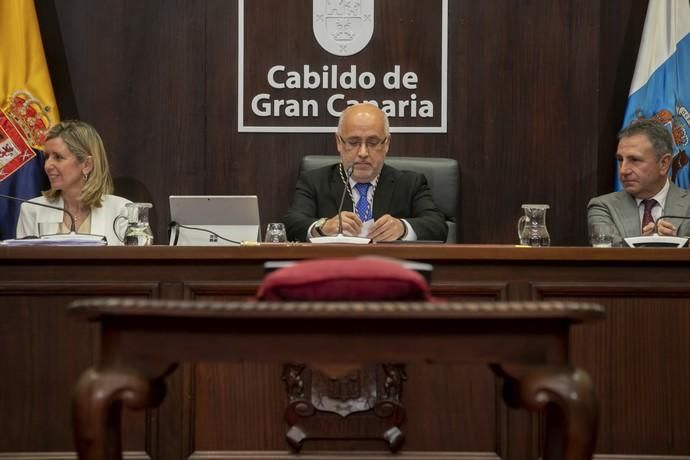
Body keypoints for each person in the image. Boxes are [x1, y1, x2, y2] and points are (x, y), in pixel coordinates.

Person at [284, 103, 448, 242]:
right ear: (339, 142)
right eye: (353, 143)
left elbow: (438, 226)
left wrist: (403, 228)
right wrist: (323, 226)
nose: (363, 152)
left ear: (386, 144)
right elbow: (292, 224)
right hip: (333, 271)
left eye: (373, 142)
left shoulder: (410, 183)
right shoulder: (314, 182)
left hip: (390, 271)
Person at [16, 120, 132, 245]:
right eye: (47, 157)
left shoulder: (122, 211)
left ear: (87, 165)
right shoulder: (32, 210)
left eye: (58, 157)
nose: (47, 165)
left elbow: (135, 262)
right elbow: (24, 264)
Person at [587, 119, 690, 245]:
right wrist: (645, 243)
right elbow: (608, 254)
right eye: (620, 160)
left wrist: (677, 245)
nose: (623, 170)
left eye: (634, 160)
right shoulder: (603, 207)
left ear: (664, 163)